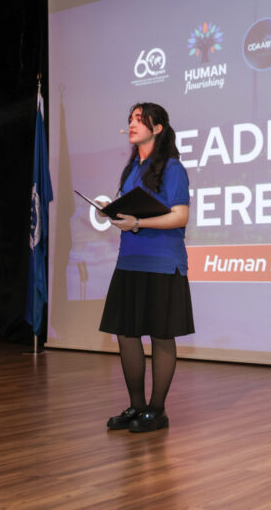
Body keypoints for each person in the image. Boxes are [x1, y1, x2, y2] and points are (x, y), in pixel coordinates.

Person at [99, 102, 194, 433]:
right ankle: (137, 407)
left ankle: (157, 410)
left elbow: (180, 216)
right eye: (130, 119)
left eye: (140, 119)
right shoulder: (131, 170)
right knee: (126, 334)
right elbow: (129, 214)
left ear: (158, 128)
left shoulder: (173, 168)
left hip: (163, 263)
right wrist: (111, 211)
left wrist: (138, 222)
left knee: (161, 334)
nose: (132, 124)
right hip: (130, 261)